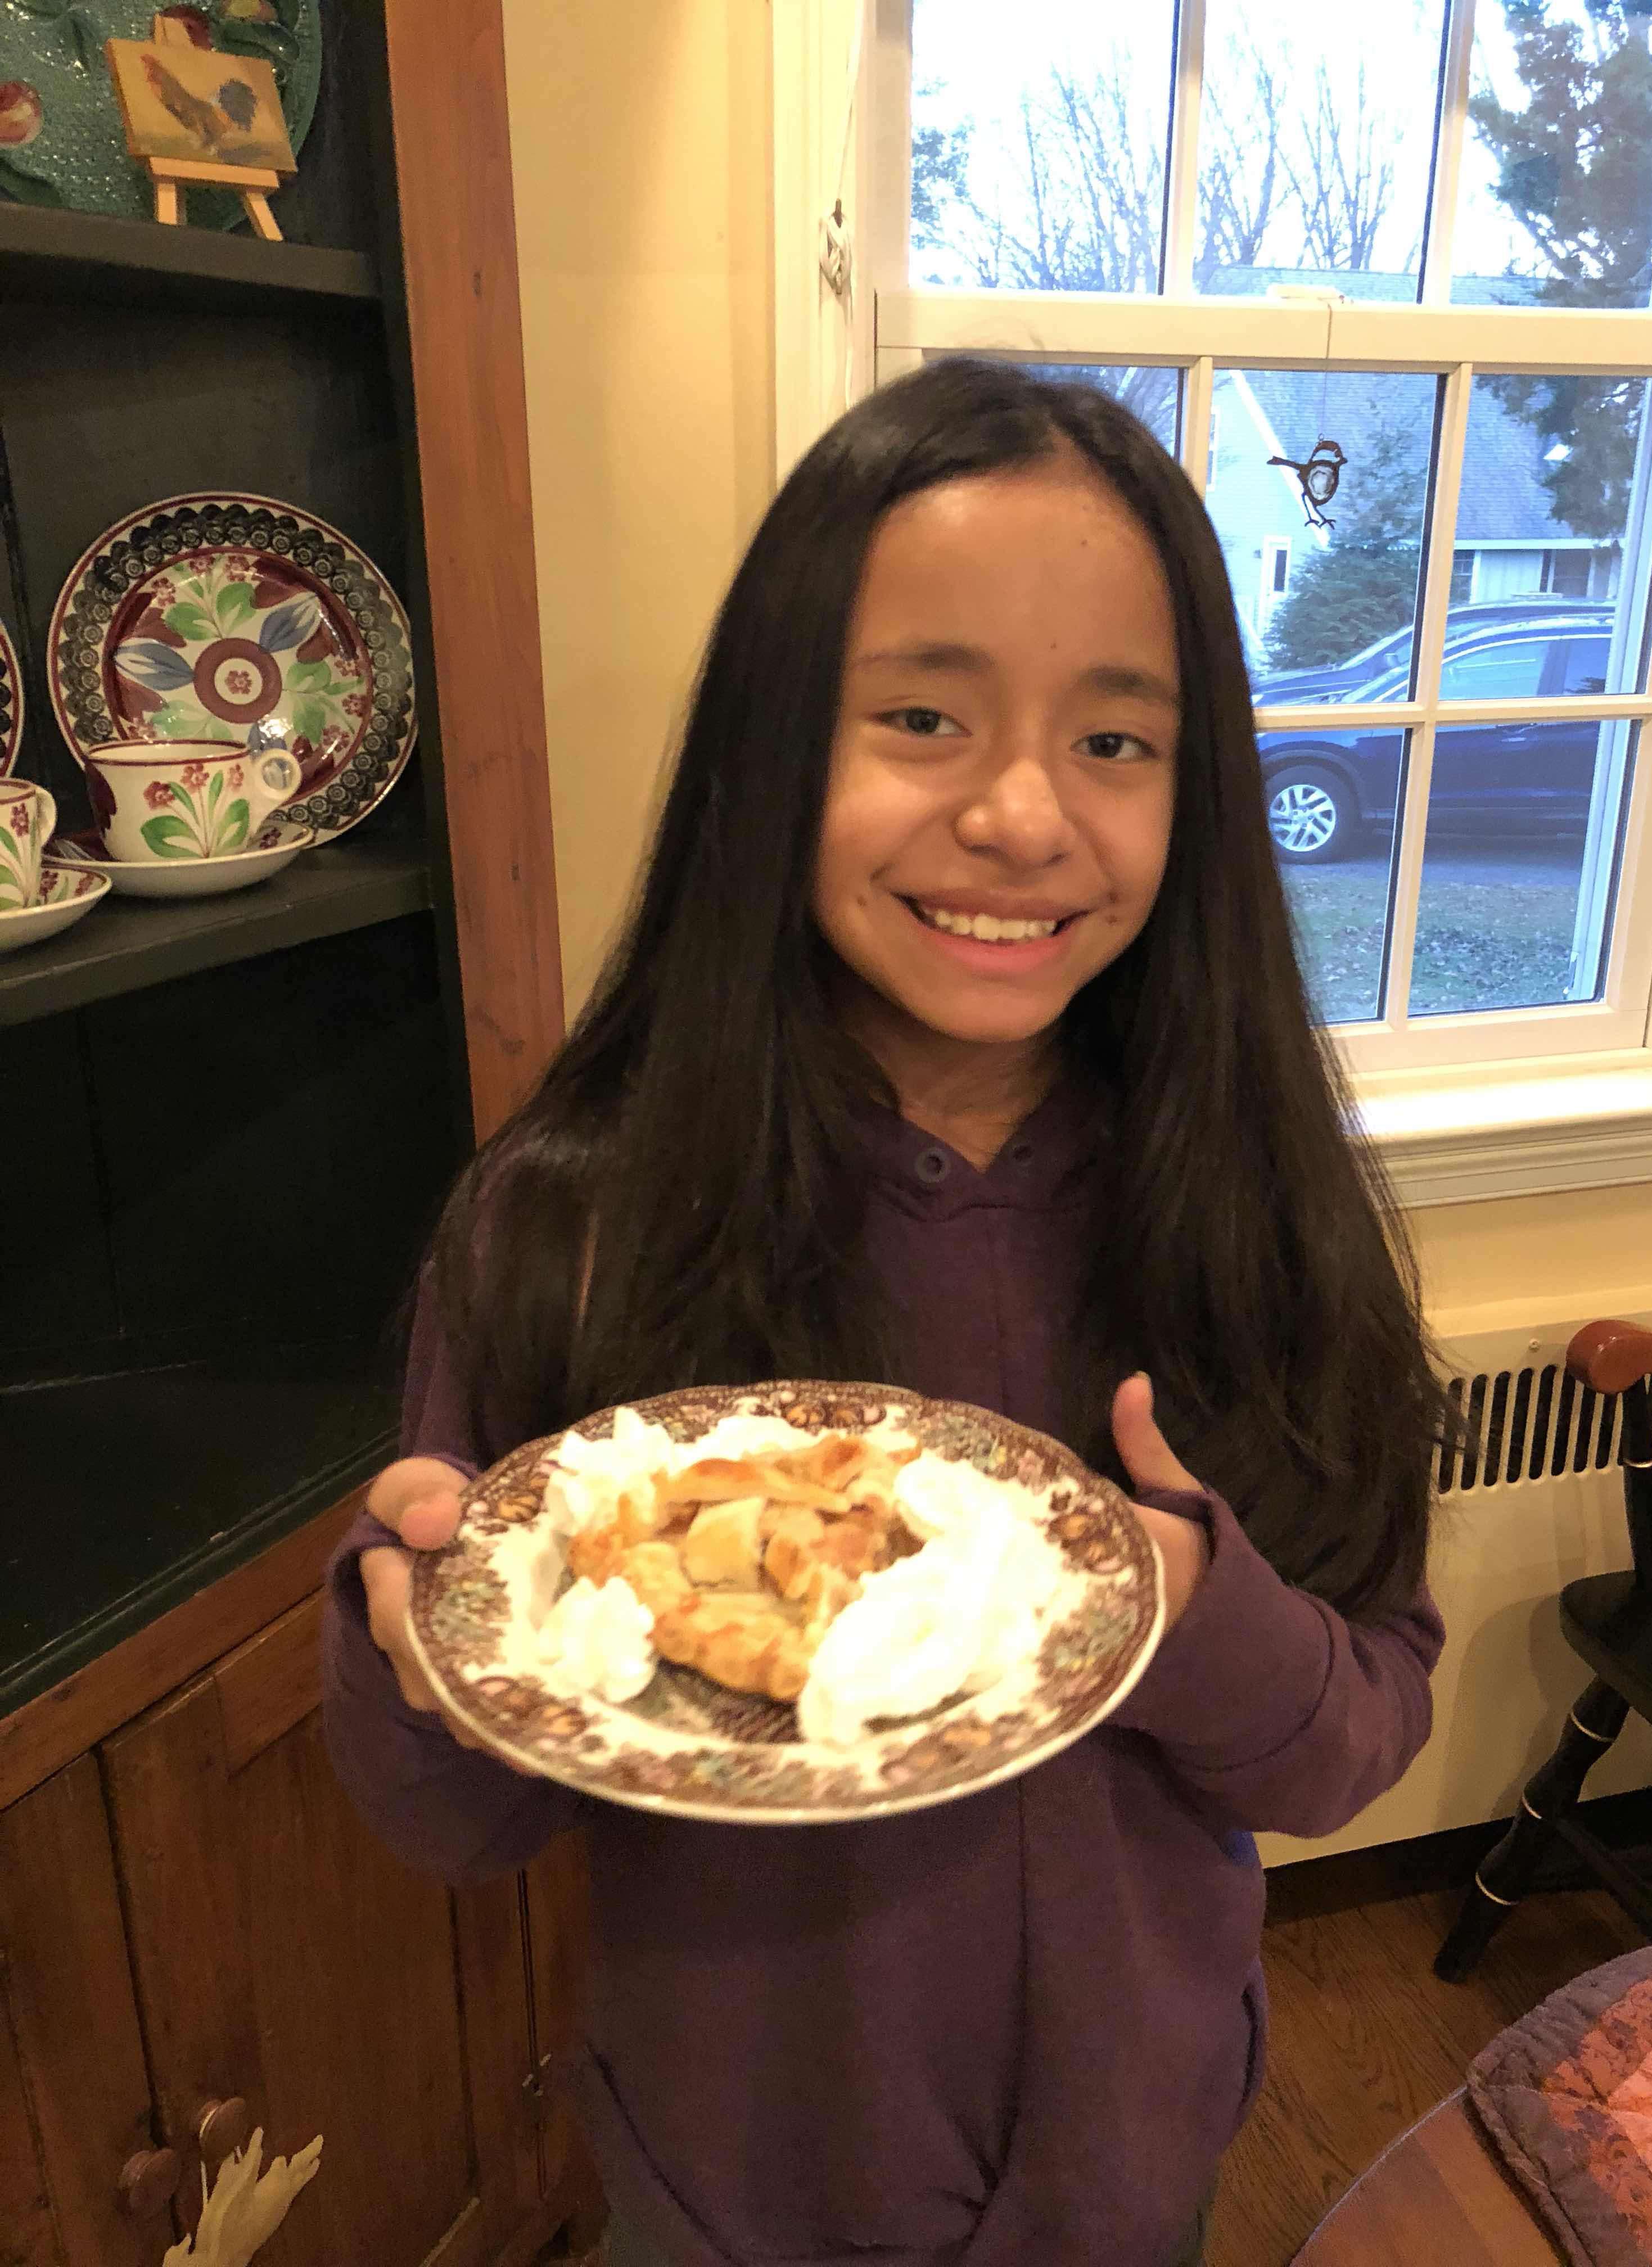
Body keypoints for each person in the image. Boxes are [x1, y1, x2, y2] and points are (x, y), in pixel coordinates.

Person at [321, 358, 1459, 2267]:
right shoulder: (573, 1229)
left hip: (1136, 2161)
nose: (1022, 817)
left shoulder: (1258, 1217)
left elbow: (1358, 1735)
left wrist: (1191, 1606)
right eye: (923, 717)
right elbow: (454, 1823)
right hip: (735, 2184)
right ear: (773, 750)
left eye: (1118, 740)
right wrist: (412, 1629)